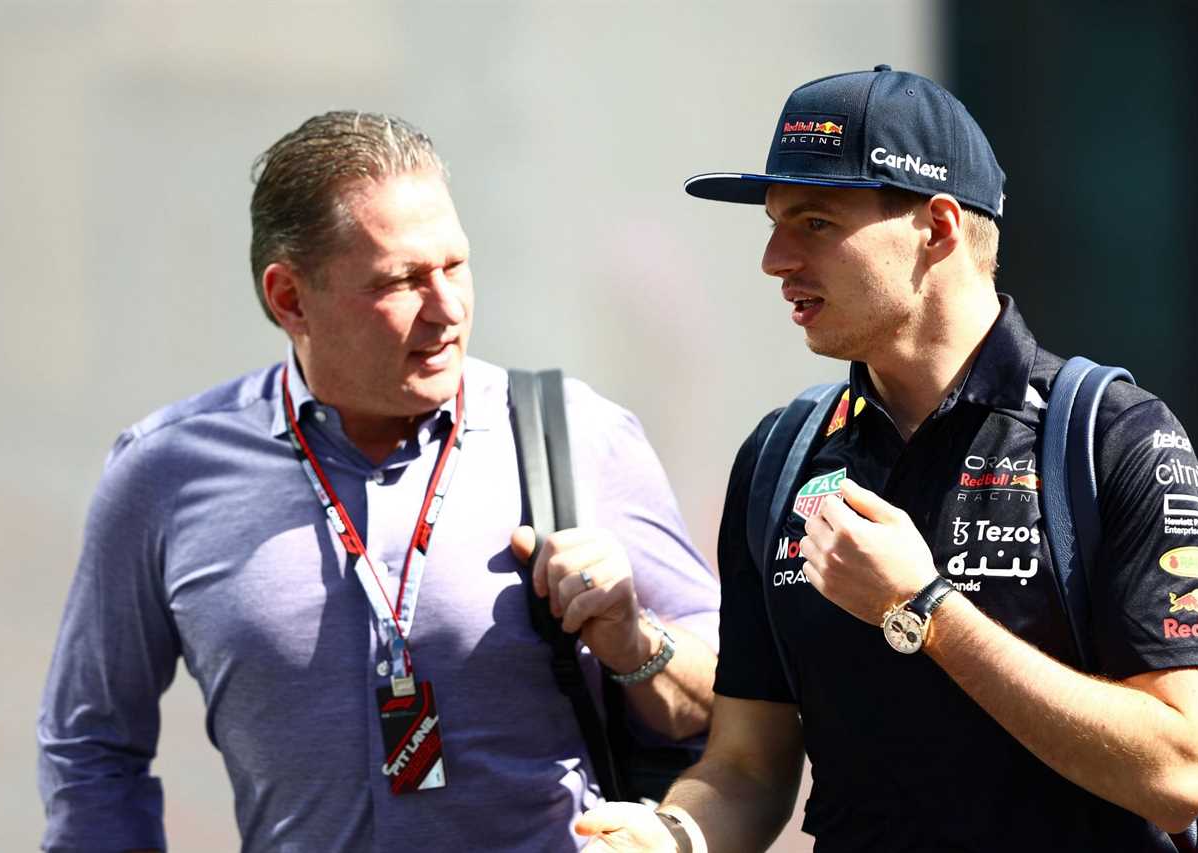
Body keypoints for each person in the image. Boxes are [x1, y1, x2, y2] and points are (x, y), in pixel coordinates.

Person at [576, 65, 1198, 852]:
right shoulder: (783, 455)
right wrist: (675, 834)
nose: (775, 258)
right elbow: (749, 767)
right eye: (776, 221)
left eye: (815, 222)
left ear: (940, 227)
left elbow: (1182, 770)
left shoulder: (1111, 437)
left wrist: (925, 608)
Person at [36, 111, 720, 853]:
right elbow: (91, 744)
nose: (449, 309)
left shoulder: (577, 436)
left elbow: (737, 704)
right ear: (289, 298)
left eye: (455, 266)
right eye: (402, 280)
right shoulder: (165, 473)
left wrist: (632, 639)